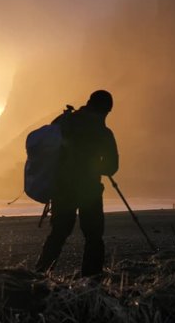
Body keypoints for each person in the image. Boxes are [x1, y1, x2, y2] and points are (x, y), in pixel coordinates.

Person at [35, 90, 119, 277]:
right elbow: (112, 166)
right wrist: (95, 167)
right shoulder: (103, 132)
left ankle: (40, 275)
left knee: (59, 233)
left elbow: (49, 150)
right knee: (93, 236)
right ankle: (91, 280)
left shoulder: (65, 121)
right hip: (89, 191)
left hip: (62, 188)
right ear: (106, 110)